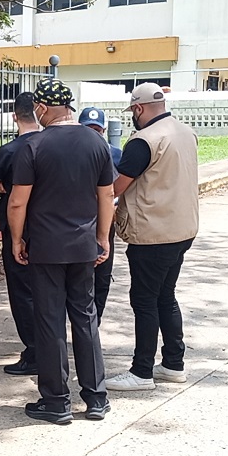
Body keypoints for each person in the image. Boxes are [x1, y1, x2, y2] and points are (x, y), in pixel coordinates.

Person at [7, 78, 114, 424]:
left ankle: (56, 400)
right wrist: (103, 237)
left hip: (46, 247)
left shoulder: (33, 146)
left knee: (50, 320)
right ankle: (96, 396)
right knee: (85, 316)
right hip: (83, 246)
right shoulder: (95, 142)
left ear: (42, 108)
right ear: (69, 105)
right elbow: (105, 196)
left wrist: (16, 240)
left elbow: (17, 202)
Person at [105, 83, 198, 391]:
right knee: (165, 296)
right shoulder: (186, 132)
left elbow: (117, 187)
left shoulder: (143, 141)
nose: (133, 116)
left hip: (152, 234)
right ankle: (173, 363)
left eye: (133, 111)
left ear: (139, 109)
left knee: (144, 301)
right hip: (182, 230)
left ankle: (141, 371)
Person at [0, 92, 39, 376]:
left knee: (23, 295)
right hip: (51, 229)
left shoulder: (9, 151)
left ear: (14, 116)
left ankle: (34, 353)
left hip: (18, 231)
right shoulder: (50, 145)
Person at [79, 107, 122, 324]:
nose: (94, 134)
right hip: (82, 220)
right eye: (89, 130)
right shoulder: (74, 153)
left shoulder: (115, 154)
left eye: (98, 130)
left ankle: (96, 322)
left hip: (106, 220)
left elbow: (121, 188)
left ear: (104, 131)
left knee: (103, 276)